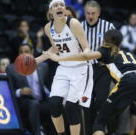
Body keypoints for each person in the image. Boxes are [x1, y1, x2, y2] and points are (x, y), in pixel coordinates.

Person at [43, 29, 136, 135]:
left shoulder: (105, 50)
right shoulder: (130, 54)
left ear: (105, 40)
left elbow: (86, 57)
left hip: (129, 81)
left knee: (99, 122)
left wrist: (58, 57)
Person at [35, 0, 93, 135]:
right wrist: (37, 60)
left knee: (71, 107)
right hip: (64, 68)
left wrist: (85, 54)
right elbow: (56, 48)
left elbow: (86, 47)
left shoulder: (73, 23)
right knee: (54, 105)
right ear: (50, 12)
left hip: (80, 68)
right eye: (55, 5)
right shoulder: (48, 28)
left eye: (62, 4)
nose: (60, 7)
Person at [82, 1, 118, 134]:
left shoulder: (108, 26)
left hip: (102, 68)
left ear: (99, 13)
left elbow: (117, 45)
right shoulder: (79, 26)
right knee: (87, 103)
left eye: (93, 13)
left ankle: (106, 129)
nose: (90, 16)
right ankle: (91, 131)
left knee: (103, 100)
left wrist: (108, 58)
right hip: (85, 69)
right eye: (88, 13)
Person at [6, 44, 54, 135]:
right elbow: (9, 92)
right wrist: (20, 91)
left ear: (32, 53)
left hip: (42, 100)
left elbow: (48, 86)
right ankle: (37, 133)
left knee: (56, 104)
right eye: (21, 52)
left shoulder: (43, 66)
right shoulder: (11, 69)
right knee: (34, 104)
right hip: (24, 102)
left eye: (26, 51)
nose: (24, 54)